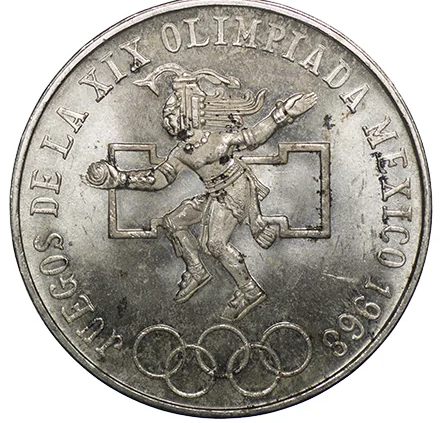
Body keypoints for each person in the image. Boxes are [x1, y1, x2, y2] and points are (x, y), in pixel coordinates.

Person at [84, 65, 317, 321]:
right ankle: (196, 270)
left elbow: (254, 136)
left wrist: (283, 114)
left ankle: (249, 290)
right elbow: (160, 179)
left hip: (236, 189)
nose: (167, 121)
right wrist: (121, 179)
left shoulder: (219, 139)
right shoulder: (180, 152)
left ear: (188, 113)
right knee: (173, 222)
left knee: (215, 244)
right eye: (166, 116)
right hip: (215, 193)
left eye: (171, 114)